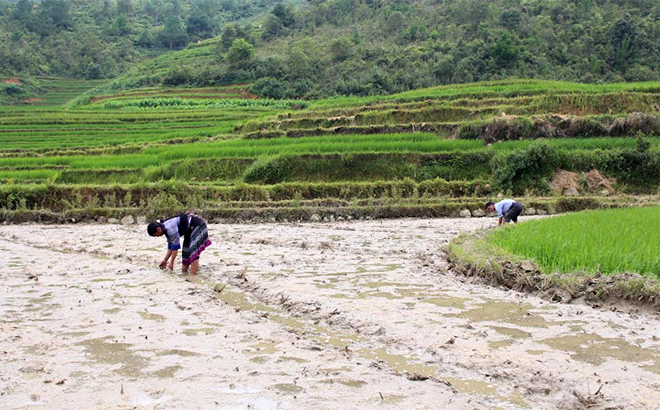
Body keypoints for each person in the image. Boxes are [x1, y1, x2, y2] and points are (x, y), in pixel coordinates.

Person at [147, 213, 212, 275]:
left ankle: (192, 276)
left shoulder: (170, 230)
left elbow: (175, 249)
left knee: (193, 252)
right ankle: (185, 273)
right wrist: (165, 260)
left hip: (197, 225)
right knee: (186, 252)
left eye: (156, 235)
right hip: (188, 229)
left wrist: (171, 262)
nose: (157, 237)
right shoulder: (165, 228)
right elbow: (170, 247)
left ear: (158, 230)